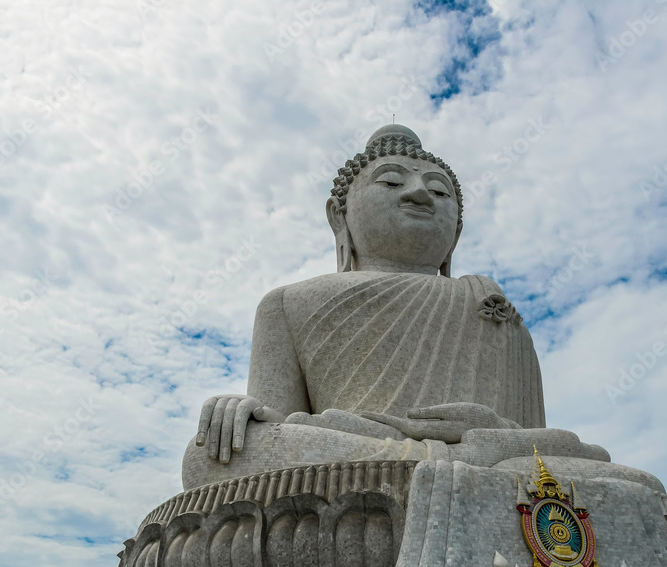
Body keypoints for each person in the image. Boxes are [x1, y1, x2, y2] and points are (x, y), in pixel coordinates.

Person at [183, 125, 605, 490]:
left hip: (475, 459)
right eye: (390, 182)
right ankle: (452, 473)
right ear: (339, 217)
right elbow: (275, 426)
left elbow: (540, 443)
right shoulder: (286, 304)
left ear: (455, 234)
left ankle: (444, 470)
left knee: (601, 465)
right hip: (368, 452)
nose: (420, 192)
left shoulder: (488, 303)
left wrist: (491, 434)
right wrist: (242, 415)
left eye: (439, 190)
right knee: (212, 454)